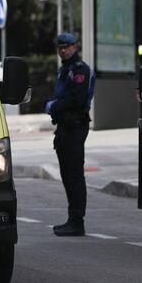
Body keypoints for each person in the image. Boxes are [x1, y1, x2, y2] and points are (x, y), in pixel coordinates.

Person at [45, 32, 95, 236]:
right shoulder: (64, 70)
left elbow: (77, 99)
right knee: (67, 173)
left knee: (74, 174)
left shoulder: (80, 70)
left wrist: (54, 106)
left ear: (76, 47)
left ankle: (77, 221)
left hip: (75, 125)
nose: (63, 50)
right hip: (65, 126)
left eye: (67, 47)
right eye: (60, 47)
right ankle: (72, 218)